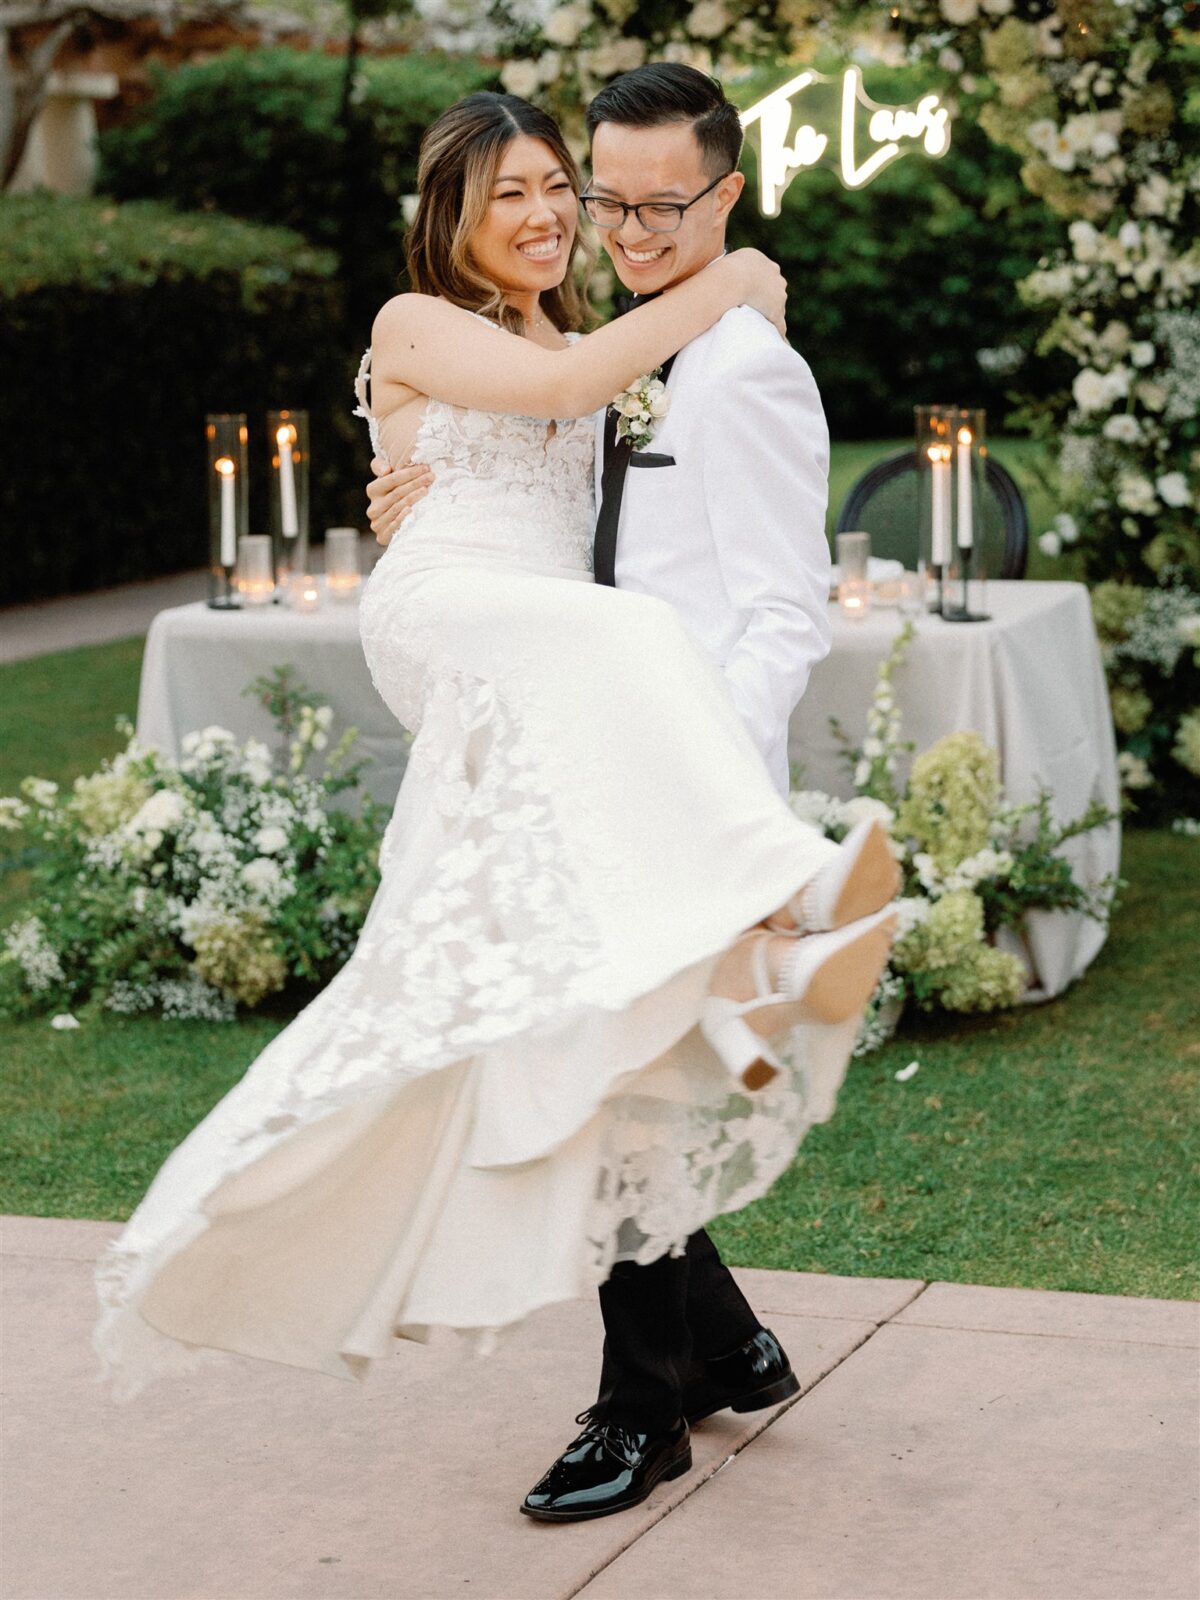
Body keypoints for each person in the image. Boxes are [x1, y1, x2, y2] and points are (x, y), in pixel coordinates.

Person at [92, 88, 897, 1525]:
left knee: (566, 1026)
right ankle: (790, 895)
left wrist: (722, 291)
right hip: (474, 634)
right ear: (450, 215)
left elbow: (613, 484)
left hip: (565, 694)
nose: (541, 215)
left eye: (551, 191)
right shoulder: (431, 325)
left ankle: (708, 1347)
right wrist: (735, 270)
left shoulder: (610, 338)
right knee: (585, 1003)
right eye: (514, 193)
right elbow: (556, 401)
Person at [365, 69, 884, 1521]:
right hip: (563, 730)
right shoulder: (613, 344)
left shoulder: (740, 361)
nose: (623, 227)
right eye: (607, 199)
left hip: (664, 759)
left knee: (604, 1067)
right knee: (588, 1058)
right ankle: (708, 1346)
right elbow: (533, 454)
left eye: (668, 205)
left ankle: (646, 1404)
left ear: (722, 199)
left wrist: (705, 772)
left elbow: (783, 611)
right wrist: (414, 501)